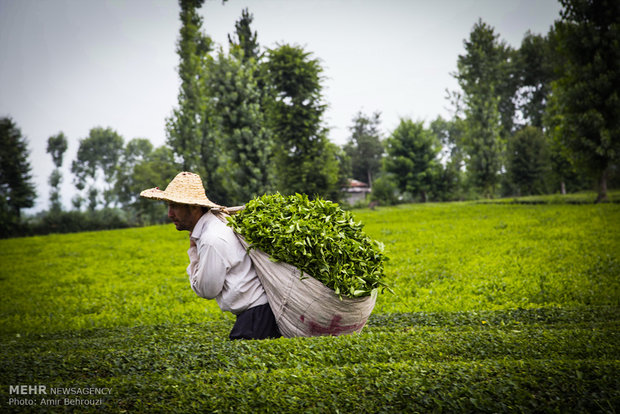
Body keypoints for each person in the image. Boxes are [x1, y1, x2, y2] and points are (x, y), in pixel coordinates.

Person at [140, 171, 281, 340]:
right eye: (169, 206)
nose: (170, 214)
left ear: (193, 207)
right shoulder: (215, 226)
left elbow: (207, 290)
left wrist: (193, 252)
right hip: (258, 312)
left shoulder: (211, 239)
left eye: (175, 206)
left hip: (256, 316)